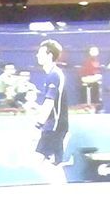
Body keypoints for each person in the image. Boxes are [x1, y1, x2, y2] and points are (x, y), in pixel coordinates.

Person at [29, 38, 70, 172]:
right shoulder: (53, 74)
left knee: (38, 160)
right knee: (54, 164)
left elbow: (50, 102)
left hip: (54, 126)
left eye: (40, 53)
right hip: (56, 125)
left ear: (49, 55)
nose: (37, 55)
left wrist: (38, 124)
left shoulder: (54, 75)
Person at [80, 46, 102, 110]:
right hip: (87, 79)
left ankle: (97, 104)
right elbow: (83, 75)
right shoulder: (86, 62)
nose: (94, 52)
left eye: (96, 51)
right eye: (92, 51)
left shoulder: (97, 61)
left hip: (96, 80)